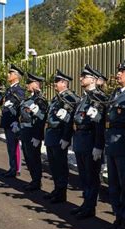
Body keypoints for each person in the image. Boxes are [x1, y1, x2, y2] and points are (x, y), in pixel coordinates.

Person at [92, 58, 125, 229]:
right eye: (119, 70)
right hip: (112, 146)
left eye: (123, 71)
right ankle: (118, 218)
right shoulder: (115, 94)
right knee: (114, 186)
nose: (118, 74)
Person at [71, 64, 106, 219]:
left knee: (91, 176)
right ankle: (86, 203)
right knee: (84, 176)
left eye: (84, 76)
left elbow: (99, 124)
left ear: (92, 79)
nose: (80, 79)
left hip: (91, 140)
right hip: (81, 140)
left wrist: (98, 145)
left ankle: (90, 207)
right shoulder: (84, 97)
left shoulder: (98, 97)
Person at [43, 70, 80, 203]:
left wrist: (66, 137)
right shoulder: (57, 97)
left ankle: (61, 192)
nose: (55, 84)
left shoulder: (70, 97)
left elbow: (69, 121)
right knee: (53, 165)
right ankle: (57, 189)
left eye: (57, 82)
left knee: (60, 166)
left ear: (64, 83)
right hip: (51, 134)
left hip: (59, 135)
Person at [0, 64, 25, 178]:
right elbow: (3, 102)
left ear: (16, 76)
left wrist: (17, 120)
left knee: (14, 146)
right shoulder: (9, 89)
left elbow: (20, 104)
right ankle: (12, 167)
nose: (8, 75)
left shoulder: (19, 90)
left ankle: (16, 169)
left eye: (10, 73)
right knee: (10, 146)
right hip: (8, 121)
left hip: (13, 122)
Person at [19, 73, 48, 191]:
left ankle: (37, 181)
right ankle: (34, 180)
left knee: (34, 158)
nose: (26, 85)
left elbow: (40, 119)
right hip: (25, 131)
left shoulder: (40, 100)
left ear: (35, 84)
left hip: (32, 132)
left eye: (29, 83)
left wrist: (37, 136)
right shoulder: (29, 99)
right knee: (28, 157)